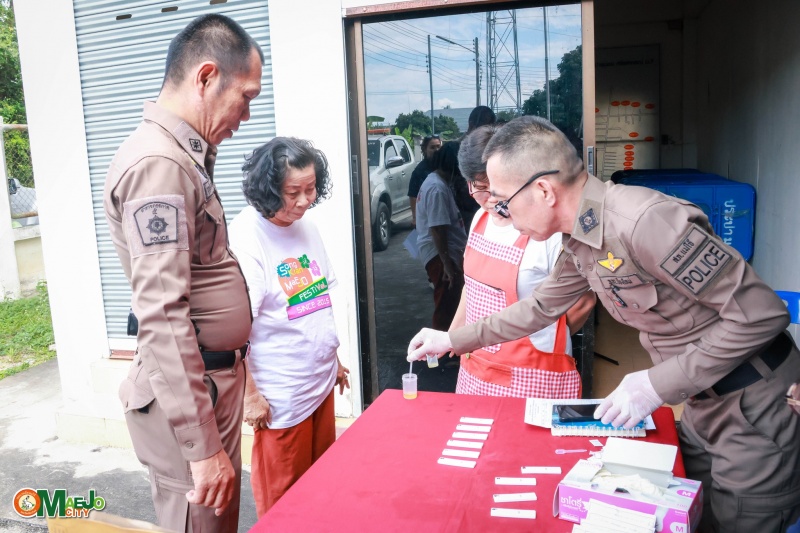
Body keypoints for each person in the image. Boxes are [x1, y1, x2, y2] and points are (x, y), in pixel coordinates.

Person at [407, 115, 800, 532]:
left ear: (543, 191)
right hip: (701, 401)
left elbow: (761, 314)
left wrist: (654, 384)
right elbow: (538, 307)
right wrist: (453, 339)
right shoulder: (580, 234)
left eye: (504, 201)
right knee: (695, 519)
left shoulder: (645, 221)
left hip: (753, 406)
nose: (501, 213)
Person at [103, 14, 263, 532]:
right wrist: (201, 446)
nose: (246, 116)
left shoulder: (183, 157)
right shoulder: (160, 164)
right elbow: (163, 314)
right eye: (245, 97)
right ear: (206, 77)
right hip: (192, 397)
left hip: (211, 385)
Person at [228, 137, 350, 517]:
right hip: (281, 397)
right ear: (267, 189)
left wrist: (334, 359)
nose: (303, 201)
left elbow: (317, 298)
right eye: (292, 192)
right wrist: (249, 395)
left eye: (310, 189)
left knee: (320, 488)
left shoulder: (305, 226)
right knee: (283, 504)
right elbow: (234, 331)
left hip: (318, 384)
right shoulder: (247, 236)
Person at [451, 125, 596, 397]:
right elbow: (471, 287)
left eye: (496, 189)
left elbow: (583, 302)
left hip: (534, 373)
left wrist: (545, 339)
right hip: (476, 367)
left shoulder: (547, 230)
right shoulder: (479, 220)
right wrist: (452, 336)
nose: (489, 200)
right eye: (478, 188)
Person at [416, 141, 468, 330]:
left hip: (445, 254)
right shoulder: (437, 188)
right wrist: (447, 264)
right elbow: (438, 229)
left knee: (451, 304)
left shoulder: (437, 183)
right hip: (440, 256)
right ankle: (442, 346)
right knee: (446, 307)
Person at [408, 134, 442, 224]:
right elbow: (413, 195)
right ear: (425, 149)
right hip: (427, 216)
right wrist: (415, 218)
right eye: (432, 147)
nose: (436, 150)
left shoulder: (445, 165)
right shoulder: (419, 171)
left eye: (438, 146)